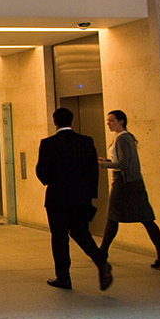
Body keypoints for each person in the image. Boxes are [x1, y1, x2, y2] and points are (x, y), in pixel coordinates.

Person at [36, 107, 113, 291]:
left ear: (55, 122)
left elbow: (42, 172)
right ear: (72, 121)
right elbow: (93, 171)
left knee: (59, 237)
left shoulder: (48, 143)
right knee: (81, 232)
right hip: (81, 197)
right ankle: (101, 261)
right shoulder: (86, 141)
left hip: (57, 198)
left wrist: (50, 180)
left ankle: (64, 277)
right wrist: (91, 194)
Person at [98, 110, 160, 270]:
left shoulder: (122, 138)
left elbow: (123, 164)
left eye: (111, 121)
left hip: (124, 183)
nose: (108, 124)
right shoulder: (125, 137)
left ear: (121, 121)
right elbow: (124, 162)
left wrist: (105, 165)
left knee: (113, 218)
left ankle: (102, 252)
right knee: (145, 219)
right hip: (132, 183)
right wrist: (109, 161)